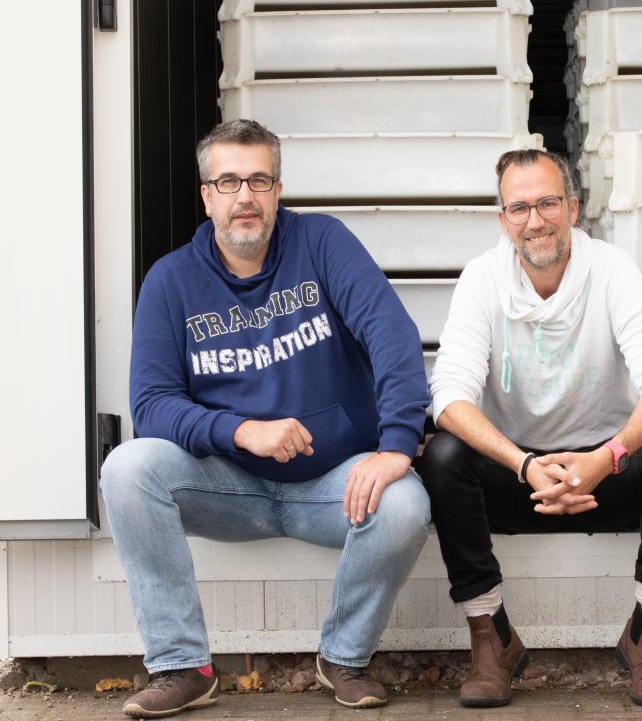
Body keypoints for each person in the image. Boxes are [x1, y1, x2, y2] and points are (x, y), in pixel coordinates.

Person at [101, 119, 432, 717]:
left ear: (278, 189)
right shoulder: (171, 281)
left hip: (334, 483)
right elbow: (150, 404)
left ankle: (344, 657)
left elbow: (393, 337)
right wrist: (239, 430)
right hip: (227, 484)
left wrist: (397, 445)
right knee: (127, 468)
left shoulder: (323, 243)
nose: (244, 196)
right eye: (227, 182)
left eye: (258, 179)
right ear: (206, 196)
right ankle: (182, 667)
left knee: (406, 502)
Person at [419, 150, 642, 708]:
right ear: (503, 220)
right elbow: (448, 396)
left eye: (548, 202)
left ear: (572, 207)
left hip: (606, 477)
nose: (535, 219)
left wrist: (606, 458)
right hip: (518, 477)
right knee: (445, 455)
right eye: (519, 207)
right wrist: (524, 463)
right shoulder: (482, 278)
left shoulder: (612, 268)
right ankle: (490, 638)